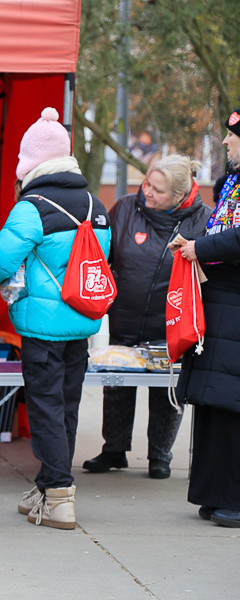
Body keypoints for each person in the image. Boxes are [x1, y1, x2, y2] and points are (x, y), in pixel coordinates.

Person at [0, 107, 111, 531]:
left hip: (42, 328)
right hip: (81, 321)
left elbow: (0, 263)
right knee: (67, 408)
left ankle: (59, 495)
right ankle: (46, 488)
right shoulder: (96, 204)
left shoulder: (33, 206)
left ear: (30, 162)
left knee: (45, 408)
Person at [84, 155, 211, 479]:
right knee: (116, 385)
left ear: (180, 195)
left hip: (170, 325)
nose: (147, 192)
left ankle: (159, 455)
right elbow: (103, 256)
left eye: (158, 189)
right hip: (124, 318)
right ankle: (114, 449)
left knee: (166, 391)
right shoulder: (126, 208)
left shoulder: (203, 220)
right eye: (147, 184)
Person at [170, 107, 240, 529]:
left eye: (233, 135)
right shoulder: (232, 182)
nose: (227, 141)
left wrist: (201, 248)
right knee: (213, 401)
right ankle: (214, 493)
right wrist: (192, 244)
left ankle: (234, 498)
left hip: (235, 304)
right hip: (220, 303)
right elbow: (221, 230)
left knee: (232, 403)